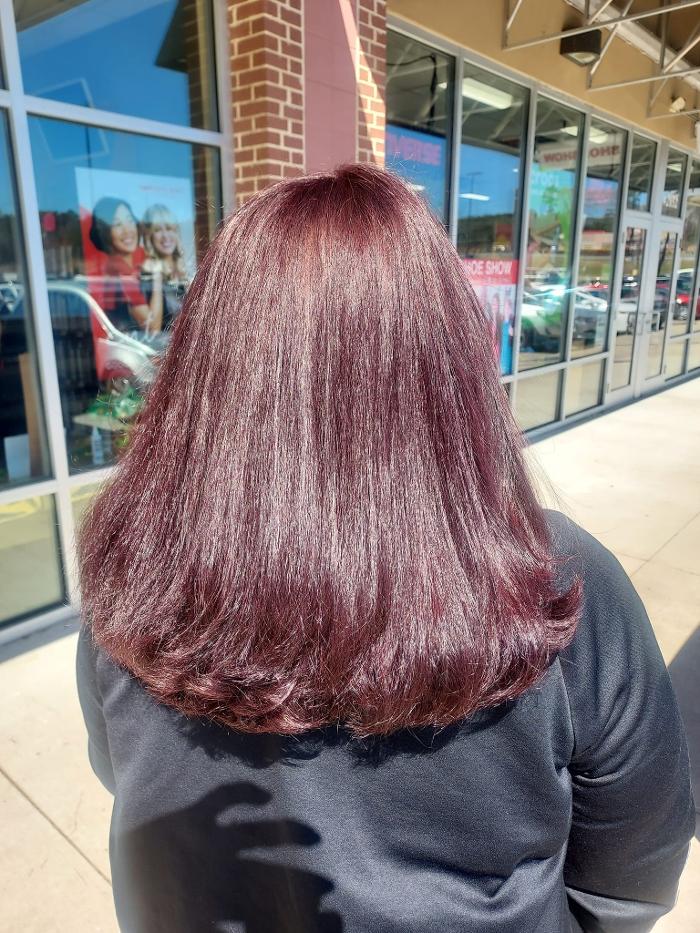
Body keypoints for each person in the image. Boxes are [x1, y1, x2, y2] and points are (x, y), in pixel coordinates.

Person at [77, 164, 694, 933]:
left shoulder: (136, 571)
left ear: (206, 363)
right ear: (451, 363)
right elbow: (631, 876)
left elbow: (123, 773)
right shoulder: (553, 577)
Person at [88, 197, 163, 335]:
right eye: (117, 224)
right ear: (106, 232)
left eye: (130, 220)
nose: (127, 230)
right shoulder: (119, 270)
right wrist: (158, 277)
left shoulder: (134, 262)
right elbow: (153, 327)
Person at [140, 203, 189, 329]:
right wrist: (157, 277)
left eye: (169, 229)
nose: (165, 236)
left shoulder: (183, 271)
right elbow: (153, 329)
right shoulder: (148, 275)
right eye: (157, 230)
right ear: (149, 236)